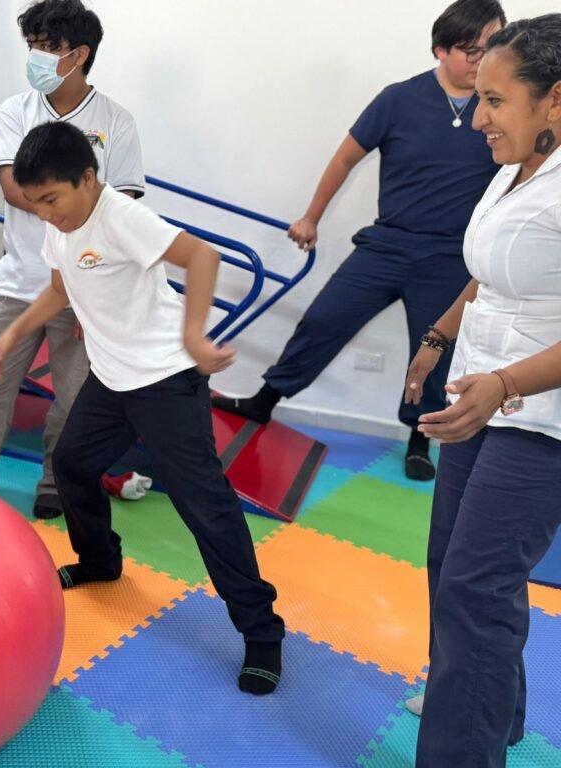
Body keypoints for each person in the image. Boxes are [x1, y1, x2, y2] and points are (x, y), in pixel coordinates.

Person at [0, 121, 286, 694]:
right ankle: (100, 562)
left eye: (52, 200)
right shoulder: (60, 224)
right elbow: (59, 288)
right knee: (71, 465)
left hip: (165, 379)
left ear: (88, 178)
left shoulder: (119, 216)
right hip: (111, 379)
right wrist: (15, 332)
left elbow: (202, 257)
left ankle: (262, 631)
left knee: (205, 506)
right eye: (35, 203)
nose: (45, 213)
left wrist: (195, 335)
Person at [212, 0, 506, 481]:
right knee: (324, 318)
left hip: (450, 257)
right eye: (470, 50)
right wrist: (311, 218)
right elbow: (345, 158)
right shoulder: (398, 99)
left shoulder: (499, 107)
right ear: (440, 49)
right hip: (387, 245)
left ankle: (419, 437)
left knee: (435, 351)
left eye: (490, 48)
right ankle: (266, 399)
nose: (480, 60)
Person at [398, 16, 561, 767]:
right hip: (480, 394)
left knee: (477, 585)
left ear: (554, 99)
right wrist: (437, 337)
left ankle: (462, 747)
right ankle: (491, 709)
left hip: (540, 416)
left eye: (494, 101)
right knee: (452, 564)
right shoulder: (516, 165)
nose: (476, 118)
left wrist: (503, 384)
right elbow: (490, 272)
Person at [0, 0, 145, 520]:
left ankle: (58, 485)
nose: (35, 55)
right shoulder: (16, 111)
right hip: (18, 282)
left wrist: (93, 288)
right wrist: (78, 202)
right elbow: (12, 188)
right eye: (31, 45)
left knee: (76, 398)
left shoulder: (115, 121)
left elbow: (121, 209)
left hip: (84, 286)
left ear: (79, 55)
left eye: (48, 47)